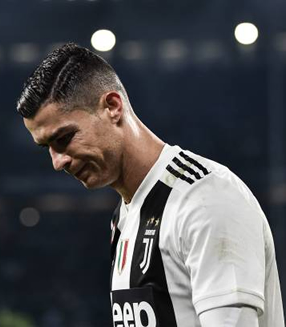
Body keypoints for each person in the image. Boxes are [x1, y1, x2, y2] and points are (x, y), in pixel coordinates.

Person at [16, 43, 284, 327]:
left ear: (112, 107)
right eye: (47, 147)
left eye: (64, 139)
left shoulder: (206, 199)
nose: (58, 162)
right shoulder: (125, 216)